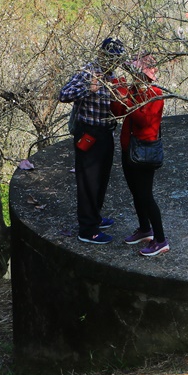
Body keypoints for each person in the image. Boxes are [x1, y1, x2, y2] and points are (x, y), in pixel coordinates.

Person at [59, 37, 125, 244]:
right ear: (101, 54)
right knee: (88, 182)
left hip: (106, 132)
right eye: (110, 57)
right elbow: (63, 94)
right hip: (89, 134)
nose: (113, 61)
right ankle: (87, 230)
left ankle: (95, 218)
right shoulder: (88, 72)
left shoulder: (111, 75)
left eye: (116, 58)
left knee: (102, 179)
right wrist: (89, 88)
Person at [111, 55, 169, 257]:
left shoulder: (156, 94)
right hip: (129, 150)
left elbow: (144, 121)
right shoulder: (134, 91)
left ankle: (160, 239)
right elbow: (117, 111)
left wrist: (127, 99)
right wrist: (117, 92)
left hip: (145, 152)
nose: (133, 76)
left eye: (136, 73)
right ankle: (145, 229)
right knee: (136, 193)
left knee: (146, 196)